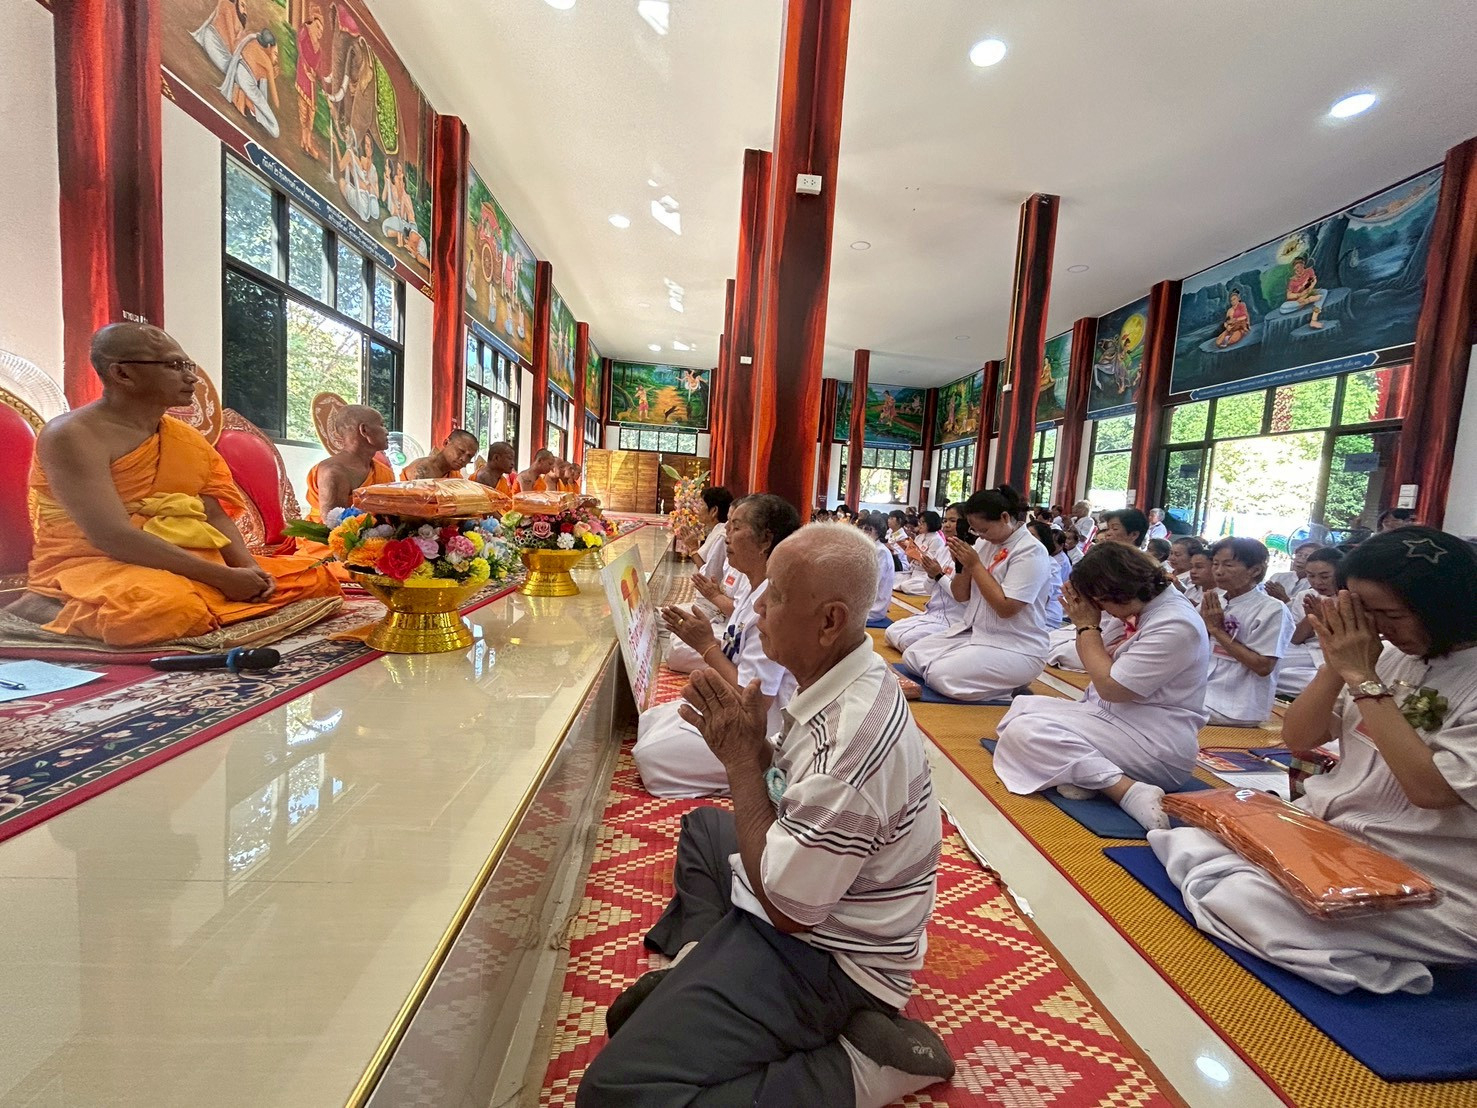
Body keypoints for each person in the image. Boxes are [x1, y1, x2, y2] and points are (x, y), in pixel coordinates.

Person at [581, 524, 954, 1105]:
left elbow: (788, 911)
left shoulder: (849, 748)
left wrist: (739, 764)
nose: (757, 606)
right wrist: (758, 753)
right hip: (817, 887)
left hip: (834, 956)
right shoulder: (842, 674)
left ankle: (861, 1069)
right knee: (704, 829)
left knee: (618, 1092)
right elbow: (791, 791)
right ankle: (697, 964)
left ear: (830, 620)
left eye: (775, 594)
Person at [1151, 527, 1477, 995]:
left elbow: (1428, 790)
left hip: (1430, 874)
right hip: (1331, 837)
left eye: (1389, 615)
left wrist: (1363, 677)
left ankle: (1380, 966)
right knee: (1189, 840)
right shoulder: (1389, 656)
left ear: (1445, 609)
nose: (1377, 629)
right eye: (1364, 614)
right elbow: (1300, 738)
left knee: (1243, 896)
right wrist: (1334, 662)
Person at [13, 324, 340, 647]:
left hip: (187, 558)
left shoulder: (185, 438)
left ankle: (208, 595)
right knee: (168, 611)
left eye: (188, 365)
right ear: (122, 374)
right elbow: (112, 536)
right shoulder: (72, 435)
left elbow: (214, 517)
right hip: (99, 561)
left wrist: (251, 572)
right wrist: (222, 578)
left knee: (316, 577)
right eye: (173, 366)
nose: (192, 377)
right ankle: (49, 603)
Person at [994, 543, 1211, 832]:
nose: (1099, 609)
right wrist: (1089, 626)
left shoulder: (1176, 623)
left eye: (1099, 601)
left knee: (1027, 732)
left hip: (1153, 741)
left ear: (1116, 592)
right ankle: (1088, 774)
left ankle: (1127, 791)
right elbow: (1092, 661)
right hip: (1114, 721)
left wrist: (1086, 626)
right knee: (1022, 709)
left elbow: (1110, 686)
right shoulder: (1140, 607)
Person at [634, 495, 800, 798]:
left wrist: (707, 646)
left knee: (650, 756)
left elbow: (756, 702)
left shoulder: (773, 603)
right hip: (733, 709)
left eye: (736, 528)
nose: (726, 536)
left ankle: (756, 774)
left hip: (763, 729)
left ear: (765, 540)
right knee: (649, 720)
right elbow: (734, 650)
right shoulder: (756, 588)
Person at [900, 485, 1052, 701]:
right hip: (976, 634)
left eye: (984, 530)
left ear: (1004, 517)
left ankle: (1008, 689)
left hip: (1016, 645)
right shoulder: (983, 544)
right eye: (976, 530)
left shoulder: (1031, 551)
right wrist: (961, 565)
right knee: (912, 656)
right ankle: (995, 680)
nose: (980, 535)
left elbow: (1006, 608)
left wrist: (975, 565)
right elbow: (961, 595)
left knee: (940, 675)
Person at [1201, 537, 1294, 726]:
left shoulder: (1272, 609)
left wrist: (1217, 631)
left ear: (1255, 570)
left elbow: (1263, 667)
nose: (1218, 571)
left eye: (1228, 565)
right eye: (1216, 564)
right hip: (1204, 688)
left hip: (1238, 704)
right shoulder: (1215, 599)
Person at [885, 506, 971, 653]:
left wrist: (938, 575)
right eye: (945, 520)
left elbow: (961, 596)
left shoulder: (969, 552)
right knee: (890, 632)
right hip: (933, 611)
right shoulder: (944, 548)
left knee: (906, 641)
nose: (947, 525)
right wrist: (932, 575)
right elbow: (929, 589)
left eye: (953, 520)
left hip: (954, 618)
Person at [304, 405, 396, 523]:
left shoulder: (383, 471)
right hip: (332, 539)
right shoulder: (333, 472)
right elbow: (333, 528)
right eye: (382, 425)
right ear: (364, 430)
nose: (387, 432)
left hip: (373, 534)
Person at [1275, 546, 1343, 699]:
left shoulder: (1353, 597)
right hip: (1308, 650)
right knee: (1270, 666)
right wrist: (1312, 618)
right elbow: (1296, 638)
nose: (1317, 582)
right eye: (1310, 576)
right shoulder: (1305, 596)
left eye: (1325, 576)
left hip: (1338, 654)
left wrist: (1325, 622)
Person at [292, 4, 329, 160]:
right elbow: (301, 50)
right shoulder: (304, 32)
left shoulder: (319, 49)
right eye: (318, 27)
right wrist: (307, 70)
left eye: (321, 30)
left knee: (311, 115)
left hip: (312, 83)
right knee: (303, 112)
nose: (319, 32)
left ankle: (308, 142)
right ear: (313, 23)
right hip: (303, 77)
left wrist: (314, 74)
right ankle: (304, 140)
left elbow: (316, 66)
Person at [894, 510, 948, 596]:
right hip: (914, 571)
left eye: (922, 522)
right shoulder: (919, 537)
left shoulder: (936, 539)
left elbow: (929, 561)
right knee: (892, 578)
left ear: (931, 523)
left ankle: (933, 589)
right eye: (919, 522)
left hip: (925, 574)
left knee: (906, 586)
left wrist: (913, 549)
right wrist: (908, 549)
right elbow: (910, 559)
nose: (919, 524)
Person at [857, 515, 896, 622]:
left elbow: (873, 582)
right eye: (863, 529)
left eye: (869, 529)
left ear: (878, 532)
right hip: (864, 599)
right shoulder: (869, 548)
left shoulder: (881, 552)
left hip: (874, 607)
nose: (864, 532)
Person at [1028, 519, 1067, 626]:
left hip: (1046, 619)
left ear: (1043, 540)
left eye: (1031, 535)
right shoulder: (1025, 560)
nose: (1026, 539)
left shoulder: (1051, 564)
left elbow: (1043, 600)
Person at [401, 429, 478, 481]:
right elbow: (416, 503)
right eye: (461, 451)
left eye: (469, 456)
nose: (464, 459)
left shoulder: (455, 476)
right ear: (446, 443)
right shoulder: (423, 469)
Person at [691, 486, 734, 569]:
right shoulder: (716, 530)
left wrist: (693, 547)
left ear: (714, 510)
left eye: (701, 505)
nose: (698, 509)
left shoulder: (721, 535)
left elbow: (708, 573)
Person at [1285, 255, 1324, 329]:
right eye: (1295, 269)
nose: (1297, 270)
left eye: (1299, 267)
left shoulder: (1309, 271)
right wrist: (1300, 295)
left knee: (1323, 292)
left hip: (1308, 294)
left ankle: (1314, 320)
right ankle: (1307, 301)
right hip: (1295, 302)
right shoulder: (1292, 281)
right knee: (1283, 308)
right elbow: (1289, 296)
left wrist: (1309, 291)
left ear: (1303, 265)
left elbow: (1313, 281)